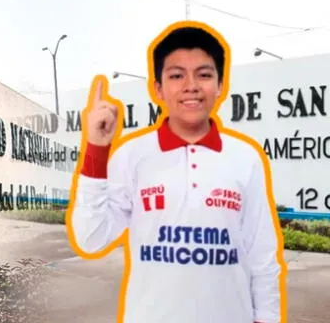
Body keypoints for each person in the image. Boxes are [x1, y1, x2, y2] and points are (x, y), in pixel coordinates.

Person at [68, 21, 286, 323]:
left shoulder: (245, 158)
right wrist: (96, 149)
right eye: (176, 75)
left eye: (204, 74)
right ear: (158, 88)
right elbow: (90, 238)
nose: (191, 86)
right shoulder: (132, 156)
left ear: (221, 85)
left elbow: (261, 255)